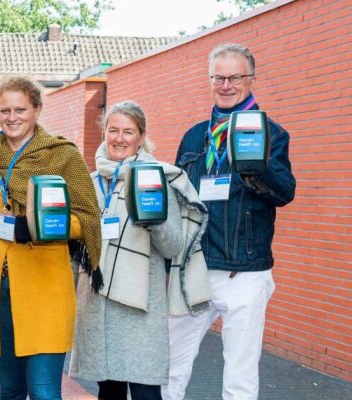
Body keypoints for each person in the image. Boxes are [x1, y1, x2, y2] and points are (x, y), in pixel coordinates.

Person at [165, 43, 296, 400]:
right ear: (210, 79)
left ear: (251, 79)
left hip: (245, 274)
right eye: (219, 77)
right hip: (194, 269)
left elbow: (285, 192)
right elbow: (178, 202)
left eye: (234, 77)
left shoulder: (271, 134)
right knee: (169, 368)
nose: (226, 85)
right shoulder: (194, 136)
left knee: (239, 378)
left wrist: (256, 166)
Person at [0, 76, 101, 400]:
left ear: (37, 110)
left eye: (20, 109)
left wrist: (41, 225)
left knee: (43, 391)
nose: (12, 117)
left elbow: (87, 218)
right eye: (4, 110)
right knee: (10, 389)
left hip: (46, 288)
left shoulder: (63, 156)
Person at [68, 101, 210, 400]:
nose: (119, 139)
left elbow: (173, 245)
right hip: (98, 303)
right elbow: (76, 246)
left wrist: (154, 220)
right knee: (109, 392)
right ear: (104, 133)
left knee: (147, 393)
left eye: (128, 132)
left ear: (141, 137)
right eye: (113, 130)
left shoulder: (155, 179)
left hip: (140, 307)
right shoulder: (90, 183)